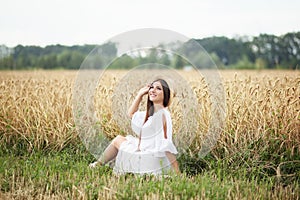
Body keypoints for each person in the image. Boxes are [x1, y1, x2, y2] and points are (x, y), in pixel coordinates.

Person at [89, 79, 180, 175]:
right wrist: (140, 94)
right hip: (149, 155)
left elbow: (166, 144)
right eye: (152, 87)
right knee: (122, 139)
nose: (153, 90)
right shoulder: (155, 113)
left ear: (165, 94)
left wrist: (177, 172)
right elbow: (131, 113)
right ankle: (99, 164)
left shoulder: (161, 114)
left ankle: (97, 165)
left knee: (118, 140)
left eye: (158, 89)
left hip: (149, 159)